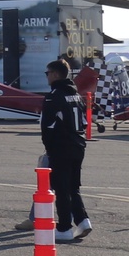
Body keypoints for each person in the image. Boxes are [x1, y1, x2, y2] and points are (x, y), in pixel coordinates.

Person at [40, 58, 92, 241]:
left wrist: (49, 148)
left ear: (54, 74)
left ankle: (64, 228)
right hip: (78, 145)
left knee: (61, 188)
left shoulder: (54, 96)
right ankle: (82, 220)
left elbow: (47, 127)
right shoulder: (76, 95)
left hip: (62, 147)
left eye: (47, 73)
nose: (46, 77)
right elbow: (85, 123)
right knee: (73, 187)